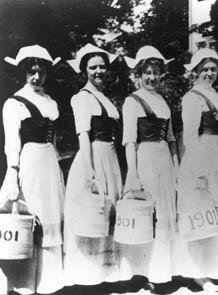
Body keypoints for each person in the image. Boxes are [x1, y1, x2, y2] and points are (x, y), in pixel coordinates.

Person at [0, 45, 64, 294]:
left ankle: (47, 282)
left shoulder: (51, 102)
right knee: (29, 219)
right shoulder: (14, 103)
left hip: (49, 164)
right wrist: (12, 174)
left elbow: (54, 140)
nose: (36, 77)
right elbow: (12, 143)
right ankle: (23, 284)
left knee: (49, 218)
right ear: (24, 73)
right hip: (29, 162)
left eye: (41, 71)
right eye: (31, 72)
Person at [120, 45, 179, 290]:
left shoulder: (163, 101)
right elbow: (129, 141)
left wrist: (177, 170)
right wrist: (132, 174)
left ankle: (162, 272)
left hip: (164, 159)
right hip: (144, 159)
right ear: (139, 75)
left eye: (156, 72)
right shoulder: (132, 101)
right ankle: (140, 272)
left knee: (166, 214)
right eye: (147, 73)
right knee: (147, 214)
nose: (152, 77)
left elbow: (172, 139)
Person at [63, 44, 121, 286]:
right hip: (93, 157)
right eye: (93, 66)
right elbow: (83, 135)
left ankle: (105, 275)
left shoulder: (105, 98)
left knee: (107, 213)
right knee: (91, 212)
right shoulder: (82, 98)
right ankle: (85, 278)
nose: (99, 70)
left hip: (110, 157)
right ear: (84, 70)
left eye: (102, 66)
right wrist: (90, 172)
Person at [177, 48, 218, 292]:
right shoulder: (192, 98)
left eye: (214, 69)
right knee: (202, 213)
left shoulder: (216, 95)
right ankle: (199, 274)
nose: (209, 73)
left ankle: (216, 269)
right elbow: (189, 136)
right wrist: (198, 169)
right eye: (205, 69)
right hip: (202, 157)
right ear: (196, 71)